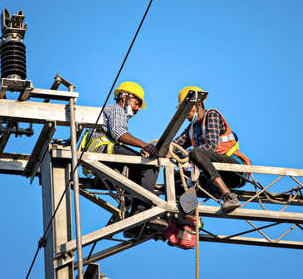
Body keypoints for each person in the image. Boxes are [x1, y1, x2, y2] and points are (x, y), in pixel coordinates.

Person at [82, 81, 166, 235]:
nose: (137, 108)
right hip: (105, 150)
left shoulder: (113, 111)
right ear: (125, 97)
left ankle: (133, 224)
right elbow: (118, 133)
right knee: (150, 166)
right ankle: (141, 211)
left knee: (136, 172)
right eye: (136, 103)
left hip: (102, 153)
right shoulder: (116, 109)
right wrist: (144, 145)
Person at [172, 86, 251, 213]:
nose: (186, 114)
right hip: (215, 173)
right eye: (183, 110)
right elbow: (174, 147)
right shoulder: (191, 128)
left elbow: (211, 146)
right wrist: (160, 152)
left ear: (198, 104)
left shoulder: (211, 116)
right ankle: (186, 219)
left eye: (188, 109)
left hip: (233, 170)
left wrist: (187, 157)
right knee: (176, 179)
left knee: (195, 153)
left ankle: (229, 196)